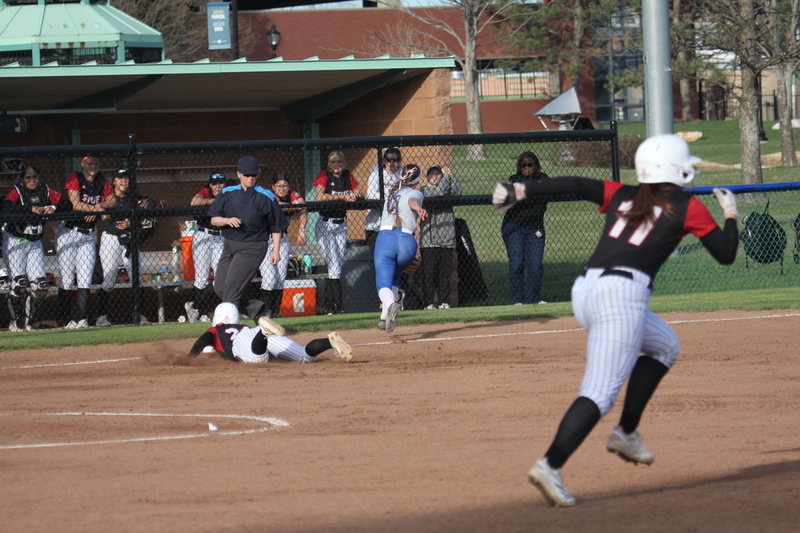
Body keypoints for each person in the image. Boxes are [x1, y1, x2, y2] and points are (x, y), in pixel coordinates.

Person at [492, 134, 740, 507]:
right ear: (676, 169)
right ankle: (550, 465)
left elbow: (575, 184)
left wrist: (521, 189)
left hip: (587, 290)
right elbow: (726, 253)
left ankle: (626, 432)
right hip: (621, 298)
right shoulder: (688, 207)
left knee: (665, 345)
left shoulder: (625, 195)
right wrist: (731, 213)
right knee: (598, 393)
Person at [208, 156, 289, 323]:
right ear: (238, 174)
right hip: (229, 246)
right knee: (220, 287)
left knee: (231, 293)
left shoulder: (266, 196)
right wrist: (226, 220)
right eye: (246, 175)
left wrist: (276, 251)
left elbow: (276, 227)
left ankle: (227, 329)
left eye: (253, 175)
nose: (250, 178)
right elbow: (213, 219)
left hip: (253, 247)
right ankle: (258, 311)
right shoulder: (227, 193)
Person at [2, 165, 67, 331]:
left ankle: (29, 323)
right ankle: (17, 322)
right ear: (22, 180)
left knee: (41, 285)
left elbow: (65, 200)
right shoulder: (17, 191)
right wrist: (29, 209)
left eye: (35, 177)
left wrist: (54, 207)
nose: (32, 181)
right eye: (28, 178)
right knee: (18, 284)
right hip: (16, 240)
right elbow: (7, 207)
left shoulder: (45, 190)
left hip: (35, 243)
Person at [54, 155, 113, 329]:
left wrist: (98, 209)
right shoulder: (75, 177)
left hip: (87, 235)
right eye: (89, 163)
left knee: (85, 279)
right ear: (82, 164)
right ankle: (66, 321)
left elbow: (113, 200)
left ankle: (82, 319)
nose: (92, 166)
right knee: (66, 279)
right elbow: (75, 203)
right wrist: (98, 209)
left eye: (95, 163)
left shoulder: (102, 179)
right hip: (69, 233)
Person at [188, 302, 353, 363]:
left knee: (258, 359)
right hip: (253, 331)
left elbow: (203, 341)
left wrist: (189, 359)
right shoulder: (242, 326)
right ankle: (329, 342)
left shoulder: (215, 329)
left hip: (245, 340)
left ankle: (264, 333)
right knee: (304, 356)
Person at [95, 169, 156, 326]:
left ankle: (140, 316)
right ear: (114, 181)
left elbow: (146, 215)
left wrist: (131, 223)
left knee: (137, 277)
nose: (124, 181)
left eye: (126, 178)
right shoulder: (107, 199)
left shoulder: (134, 197)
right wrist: (117, 230)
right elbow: (101, 223)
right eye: (120, 178)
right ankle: (101, 316)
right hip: (111, 239)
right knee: (109, 279)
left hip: (128, 237)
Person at [373, 164, 427, 333]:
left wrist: (417, 207)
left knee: (383, 283)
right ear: (417, 181)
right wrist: (418, 209)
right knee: (395, 275)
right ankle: (384, 317)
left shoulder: (392, 192)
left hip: (386, 240)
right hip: (407, 243)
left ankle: (390, 304)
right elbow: (413, 201)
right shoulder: (416, 192)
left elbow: (411, 201)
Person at [313, 150, 362, 315]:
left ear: (344, 163)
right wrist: (342, 198)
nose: (336, 165)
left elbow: (360, 192)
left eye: (339, 161)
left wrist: (354, 195)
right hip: (325, 224)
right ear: (328, 164)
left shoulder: (347, 175)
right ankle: (334, 307)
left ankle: (333, 307)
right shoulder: (324, 174)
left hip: (342, 224)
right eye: (333, 162)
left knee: (337, 266)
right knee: (333, 264)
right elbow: (320, 196)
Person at [501, 151, 550, 305]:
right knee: (517, 265)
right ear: (519, 167)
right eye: (523, 165)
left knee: (535, 265)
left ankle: (534, 299)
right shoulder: (514, 179)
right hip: (514, 226)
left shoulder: (543, 178)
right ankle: (517, 300)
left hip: (535, 228)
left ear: (536, 166)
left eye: (530, 165)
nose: (526, 168)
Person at [258, 173, 308, 318]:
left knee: (280, 278)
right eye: (278, 185)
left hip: (284, 238)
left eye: (285, 185)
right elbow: (277, 206)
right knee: (269, 278)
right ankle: (265, 314)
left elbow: (303, 207)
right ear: (273, 187)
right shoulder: (269, 196)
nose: (282, 188)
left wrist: (301, 231)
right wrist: (291, 206)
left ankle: (275, 313)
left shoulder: (292, 194)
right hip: (266, 239)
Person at [184, 172, 227, 323]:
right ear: (210, 184)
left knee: (221, 276)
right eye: (214, 183)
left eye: (220, 183)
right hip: (203, 234)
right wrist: (214, 201)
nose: (217, 186)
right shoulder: (206, 192)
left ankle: (195, 306)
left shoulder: (229, 193)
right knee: (201, 277)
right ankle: (201, 313)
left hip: (221, 236)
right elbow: (194, 202)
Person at [419, 165, 462, 310]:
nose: (436, 177)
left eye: (439, 174)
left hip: (447, 238)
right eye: (432, 174)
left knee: (445, 274)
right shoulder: (424, 190)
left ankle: (445, 301)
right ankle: (429, 302)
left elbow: (458, 192)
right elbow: (438, 194)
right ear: (427, 177)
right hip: (429, 240)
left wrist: (451, 176)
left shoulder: (447, 187)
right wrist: (446, 178)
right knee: (429, 274)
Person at [365, 147, 404, 252]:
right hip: (375, 225)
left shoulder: (402, 172)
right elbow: (371, 194)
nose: (391, 163)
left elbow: (405, 194)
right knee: (377, 258)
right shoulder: (376, 171)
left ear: (399, 161)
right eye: (388, 159)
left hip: (394, 226)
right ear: (383, 160)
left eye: (395, 160)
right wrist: (392, 196)